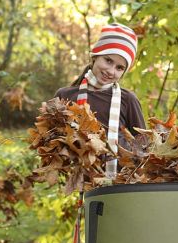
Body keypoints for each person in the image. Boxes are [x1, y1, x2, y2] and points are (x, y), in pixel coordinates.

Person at [55, 23, 145, 177]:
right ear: (95, 56)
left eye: (119, 68)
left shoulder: (127, 99)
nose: (111, 71)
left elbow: (143, 144)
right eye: (108, 60)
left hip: (123, 179)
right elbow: (55, 138)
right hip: (85, 177)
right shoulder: (66, 95)